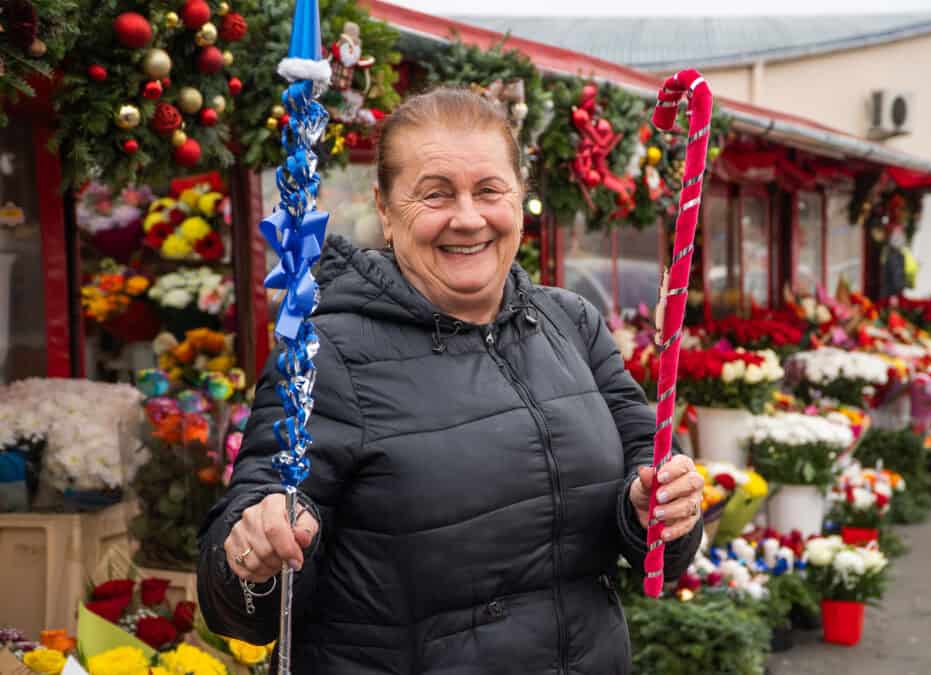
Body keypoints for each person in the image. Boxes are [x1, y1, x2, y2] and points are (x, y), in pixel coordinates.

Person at [197, 88, 705, 674]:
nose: (468, 217)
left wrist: (655, 507)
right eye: (435, 194)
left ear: (519, 198)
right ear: (385, 211)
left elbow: (649, 474)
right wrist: (250, 553)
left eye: (489, 190)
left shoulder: (571, 322)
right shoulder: (324, 354)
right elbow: (246, 599)